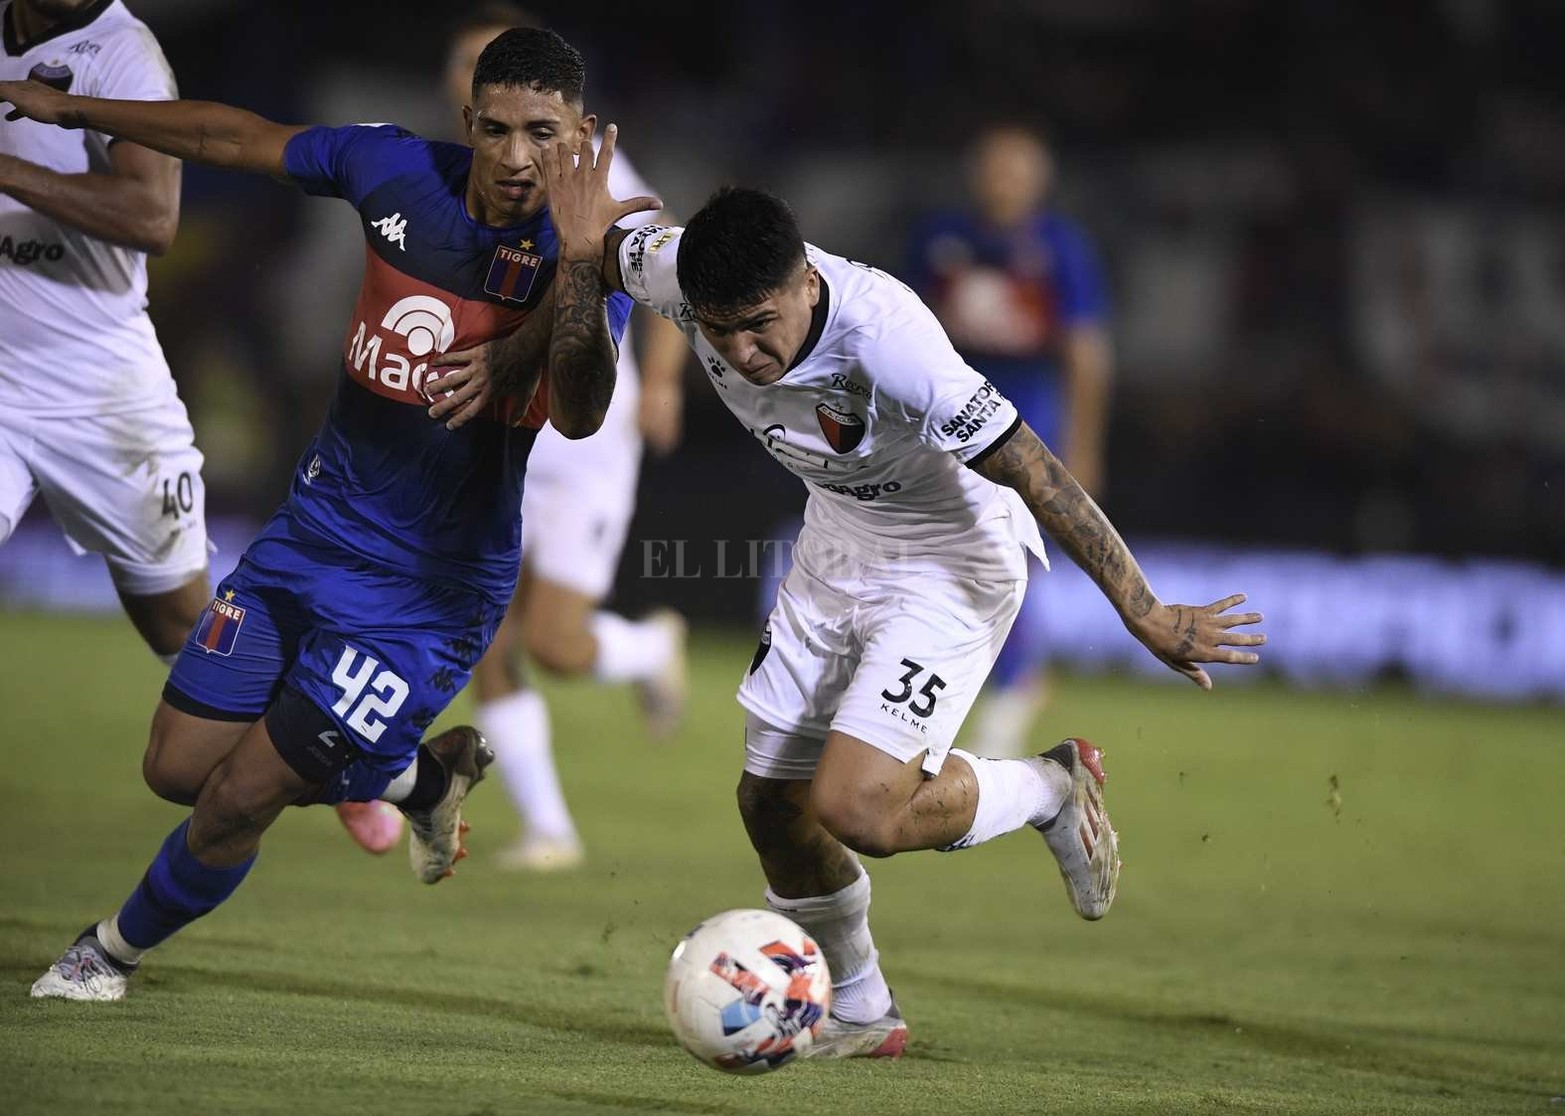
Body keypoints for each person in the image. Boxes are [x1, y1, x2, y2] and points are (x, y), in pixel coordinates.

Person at [468, 155, 1264, 1058]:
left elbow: (1034, 469)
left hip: (952, 554)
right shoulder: (675, 270)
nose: (741, 353)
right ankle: (860, 1008)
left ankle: (1046, 788)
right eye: (718, 331)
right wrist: (570, 267)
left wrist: (1143, 609)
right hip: (839, 539)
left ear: (806, 284)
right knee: (771, 805)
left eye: (759, 325)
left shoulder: (889, 341)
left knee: (859, 810)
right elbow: (597, 259)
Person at [3, 26, 648, 1001]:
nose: (519, 157)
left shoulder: (593, 250)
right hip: (309, 540)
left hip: (425, 594)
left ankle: (106, 955)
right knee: (177, 768)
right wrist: (75, 109)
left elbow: (583, 408)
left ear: (580, 134)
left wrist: (582, 266)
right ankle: (419, 779)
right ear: (467, 122)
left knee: (240, 797)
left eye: (543, 134)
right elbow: (232, 136)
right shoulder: (393, 171)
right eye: (498, 130)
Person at [336, 5, 691, 872]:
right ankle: (548, 828)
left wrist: (663, 380)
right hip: (495, 430)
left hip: (580, 439)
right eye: (461, 64)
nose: (466, 75)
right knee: (485, 635)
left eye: (480, 60)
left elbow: (661, 258)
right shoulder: (455, 172)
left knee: (556, 645)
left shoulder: (576, 163)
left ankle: (651, 646)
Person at [0, 0, 209, 662]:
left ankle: (394, 761)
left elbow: (153, 217)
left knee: (185, 634)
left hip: (98, 384)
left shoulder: (123, 53)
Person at [907, 124, 1114, 757]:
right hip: (946, 414)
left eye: (1015, 171)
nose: (1002, 182)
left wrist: (1083, 448)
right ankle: (945, 683)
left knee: (1006, 551)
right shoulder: (941, 238)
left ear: (1038, 182)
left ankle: (1014, 684)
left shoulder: (1060, 248)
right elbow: (905, 327)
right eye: (994, 168)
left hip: (1027, 416)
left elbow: (1085, 351)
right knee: (937, 551)